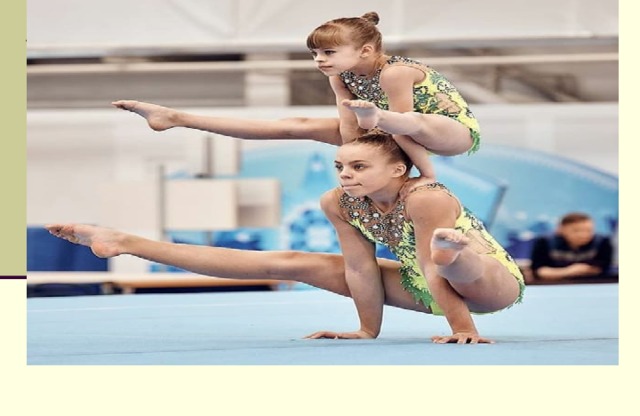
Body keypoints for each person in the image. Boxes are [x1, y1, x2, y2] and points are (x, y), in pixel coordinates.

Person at [46, 131, 524, 344]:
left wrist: (463, 328)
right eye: (340, 166)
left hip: (490, 284)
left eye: (359, 167)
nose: (346, 174)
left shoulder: (425, 196)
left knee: (449, 260)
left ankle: (453, 249)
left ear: (398, 170)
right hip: (423, 283)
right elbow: (360, 269)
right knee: (297, 261)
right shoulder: (339, 202)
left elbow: (428, 268)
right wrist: (367, 330)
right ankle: (127, 240)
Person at [112, 11, 481, 181]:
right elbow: (349, 130)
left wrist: (426, 175)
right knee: (295, 124)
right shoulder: (342, 77)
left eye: (328, 53)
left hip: (448, 133)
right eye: (315, 54)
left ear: (366, 51)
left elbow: (405, 126)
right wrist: (356, 154)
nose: (319, 60)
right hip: (385, 127)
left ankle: (379, 120)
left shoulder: (395, 72)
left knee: (408, 121)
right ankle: (175, 117)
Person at [530, 212, 613, 282]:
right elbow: (540, 271)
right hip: (553, 285)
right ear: (560, 229)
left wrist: (554, 272)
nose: (583, 235)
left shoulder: (602, 242)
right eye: (576, 230)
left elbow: (601, 269)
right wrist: (569, 271)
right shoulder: (544, 242)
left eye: (588, 230)